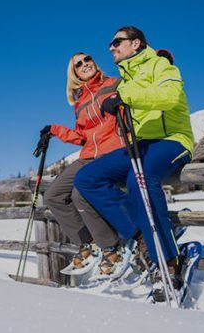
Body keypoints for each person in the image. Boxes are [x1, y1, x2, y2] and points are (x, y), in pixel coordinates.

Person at [74, 26, 194, 300]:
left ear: (136, 43)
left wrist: (124, 98)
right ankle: (141, 233)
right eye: (111, 44)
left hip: (172, 139)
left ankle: (168, 259)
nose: (111, 48)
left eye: (117, 42)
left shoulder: (161, 65)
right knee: (87, 178)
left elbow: (169, 97)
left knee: (140, 178)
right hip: (141, 145)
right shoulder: (125, 79)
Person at [38, 52, 134, 277]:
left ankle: (111, 247)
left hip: (114, 150)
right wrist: (54, 130)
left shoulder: (114, 84)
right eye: (78, 64)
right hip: (89, 155)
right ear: (74, 74)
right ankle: (87, 242)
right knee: (53, 195)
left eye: (86, 59)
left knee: (81, 192)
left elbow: (131, 113)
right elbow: (81, 137)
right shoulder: (80, 102)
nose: (84, 64)